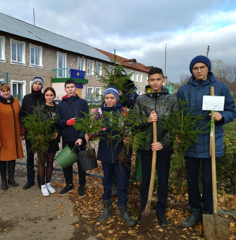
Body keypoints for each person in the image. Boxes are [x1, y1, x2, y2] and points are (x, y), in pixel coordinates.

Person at [177, 55, 236, 228]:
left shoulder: (220, 87)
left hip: (212, 141)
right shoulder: (183, 90)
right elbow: (178, 115)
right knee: (192, 179)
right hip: (191, 143)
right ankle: (195, 210)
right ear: (191, 70)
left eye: (202, 67)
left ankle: (208, 212)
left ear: (208, 68)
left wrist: (221, 116)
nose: (199, 71)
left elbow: (232, 110)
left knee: (209, 180)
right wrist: (179, 132)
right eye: (195, 68)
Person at [86, 87, 136, 226]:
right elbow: (96, 132)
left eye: (112, 98)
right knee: (107, 182)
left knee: (122, 184)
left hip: (121, 154)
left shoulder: (124, 112)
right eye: (107, 98)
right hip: (106, 154)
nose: (109, 100)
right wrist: (90, 135)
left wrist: (129, 138)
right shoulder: (99, 112)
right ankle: (107, 209)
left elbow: (130, 130)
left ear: (116, 99)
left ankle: (123, 210)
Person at [134, 67, 176, 227]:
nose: (155, 82)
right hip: (146, 148)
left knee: (163, 181)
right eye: (152, 80)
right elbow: (135, 123)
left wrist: (163, 143)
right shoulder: (141, 100)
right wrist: (147, 121)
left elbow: (174, 126)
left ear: (163, 79)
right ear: (148, 81)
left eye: (158, 79)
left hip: (164, 149)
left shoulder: (171, 99)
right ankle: (145, 207)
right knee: (145, 180)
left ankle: (160, 210)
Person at [56, 79, 89, 197]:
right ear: (65, 89)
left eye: (72, 87)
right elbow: (58, 121)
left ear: (75, 88)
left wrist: (81, 137)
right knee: (66, 163)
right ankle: (69, 185)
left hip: (79, 139)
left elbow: (86, 121)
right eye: (68, 87)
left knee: (82, 164)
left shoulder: (82, 103)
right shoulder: (60, 104)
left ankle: (82, 186)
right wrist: (66, 122)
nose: (70, 89)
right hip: (67, 138)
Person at [0, 83, 25, 190]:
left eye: (7, 90)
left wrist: (22, 132)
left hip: (14, 135)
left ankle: (11, 178)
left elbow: (20, 117)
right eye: (3, 91)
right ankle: (3, 180)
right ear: (0, 92)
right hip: (2, 135)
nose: (6, 93)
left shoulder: (15, 101)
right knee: (3, 158)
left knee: (12, 157)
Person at [20, 76, 45, 190]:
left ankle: (41, 180)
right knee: (30, 157)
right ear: (32, 85)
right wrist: (24, 131)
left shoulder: (44, 98)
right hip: (29, 132)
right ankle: (30, 180)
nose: (37, 85)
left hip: (41, 133)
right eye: (35, 83)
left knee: (41, 157)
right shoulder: (26, 98)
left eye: (39, 84)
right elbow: (22, 115)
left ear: (41, 86)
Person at [37, 87, 59, 197]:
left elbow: (59, 123)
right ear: (44, 96)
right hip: (42, 140)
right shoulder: (39, 109)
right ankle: (42, 186)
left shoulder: (57, 109)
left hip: (53, 140)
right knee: (42, 162)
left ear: (54, 96)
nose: (49, 97)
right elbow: (35, 124)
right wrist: (38, 134)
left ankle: (48, 183)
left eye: (51, 95)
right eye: (47, 95)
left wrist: (57, 133)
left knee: (50, 162)